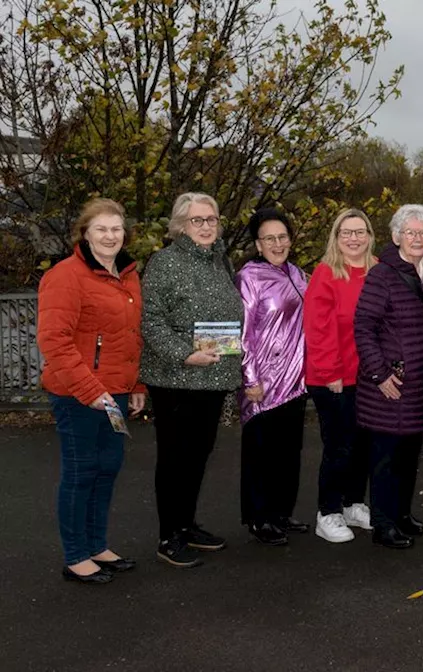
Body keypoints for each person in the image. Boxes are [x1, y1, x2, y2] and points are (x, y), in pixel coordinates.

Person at [37, 198, 146, 583]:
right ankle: (76, 556)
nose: (110, 236)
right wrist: (89, 389)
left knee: (107, 468)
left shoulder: (127, 274)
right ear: (84, 234)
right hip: (77, 395)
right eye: (101, 229)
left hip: (115, 393)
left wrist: (136, 384)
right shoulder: (66, 276)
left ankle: (98, 545)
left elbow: (131, 337)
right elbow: (54, 340)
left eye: (116, 229)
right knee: (81, 471)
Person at [141, 192, 244, 568]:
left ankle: (186, 525)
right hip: (175, 377)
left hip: (214, 377)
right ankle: (169, 536)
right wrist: (185, 354)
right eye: (197, 220)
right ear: (181, 225)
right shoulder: (164, 263)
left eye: (211, 219)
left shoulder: (222, 261)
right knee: (175, 458)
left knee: (199, 455)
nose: (205, 227)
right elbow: (151, 322)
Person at [354, 204, 423, 549]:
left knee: (408, 455)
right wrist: (380, 373)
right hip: (389, 385)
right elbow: (363, 326)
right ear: (396, 237)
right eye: (410, 232)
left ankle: (401, 514)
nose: (418, 238)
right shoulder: (382, 275)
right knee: (386, 458)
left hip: (418, 386)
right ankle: (383, 524)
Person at [236, 207, 310, 546]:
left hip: (295, 379)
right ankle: (259, 517)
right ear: (258, 243)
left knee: (288, 451)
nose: (278, 243)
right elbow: (244, 332)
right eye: (270, 238)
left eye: (282, 237)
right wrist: (250, 378)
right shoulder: (249, 276)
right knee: (260, 452)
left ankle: (281, 511)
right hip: (263, 382)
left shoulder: (297, 273)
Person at [306, 209, 376, 543]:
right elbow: (318, 329)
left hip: (367, 378)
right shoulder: (326, 273)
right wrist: (330, 371)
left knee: (362, 445)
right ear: (336, 237)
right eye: (346, 232)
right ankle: (328, 511)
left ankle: (353, 503)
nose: (353, 238)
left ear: (369, 235)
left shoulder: (377, 270)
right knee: (339, 447)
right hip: (332, 377)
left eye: (359, 232)